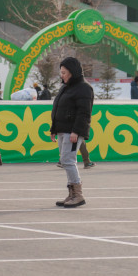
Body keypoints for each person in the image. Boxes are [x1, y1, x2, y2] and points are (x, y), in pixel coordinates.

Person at [50, 56, 94, 208]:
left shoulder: (84, 88)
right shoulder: (65, 87)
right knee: (65, 161)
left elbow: (84, 112)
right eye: (61, 72)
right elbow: (57, 109)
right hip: (63, 130)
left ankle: (78, 194)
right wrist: (54, 129)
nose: (61, 75)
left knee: (68, 161)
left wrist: (76, 131)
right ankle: (71, 194)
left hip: (72, 132)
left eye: (64, 72)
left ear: (72, 72)